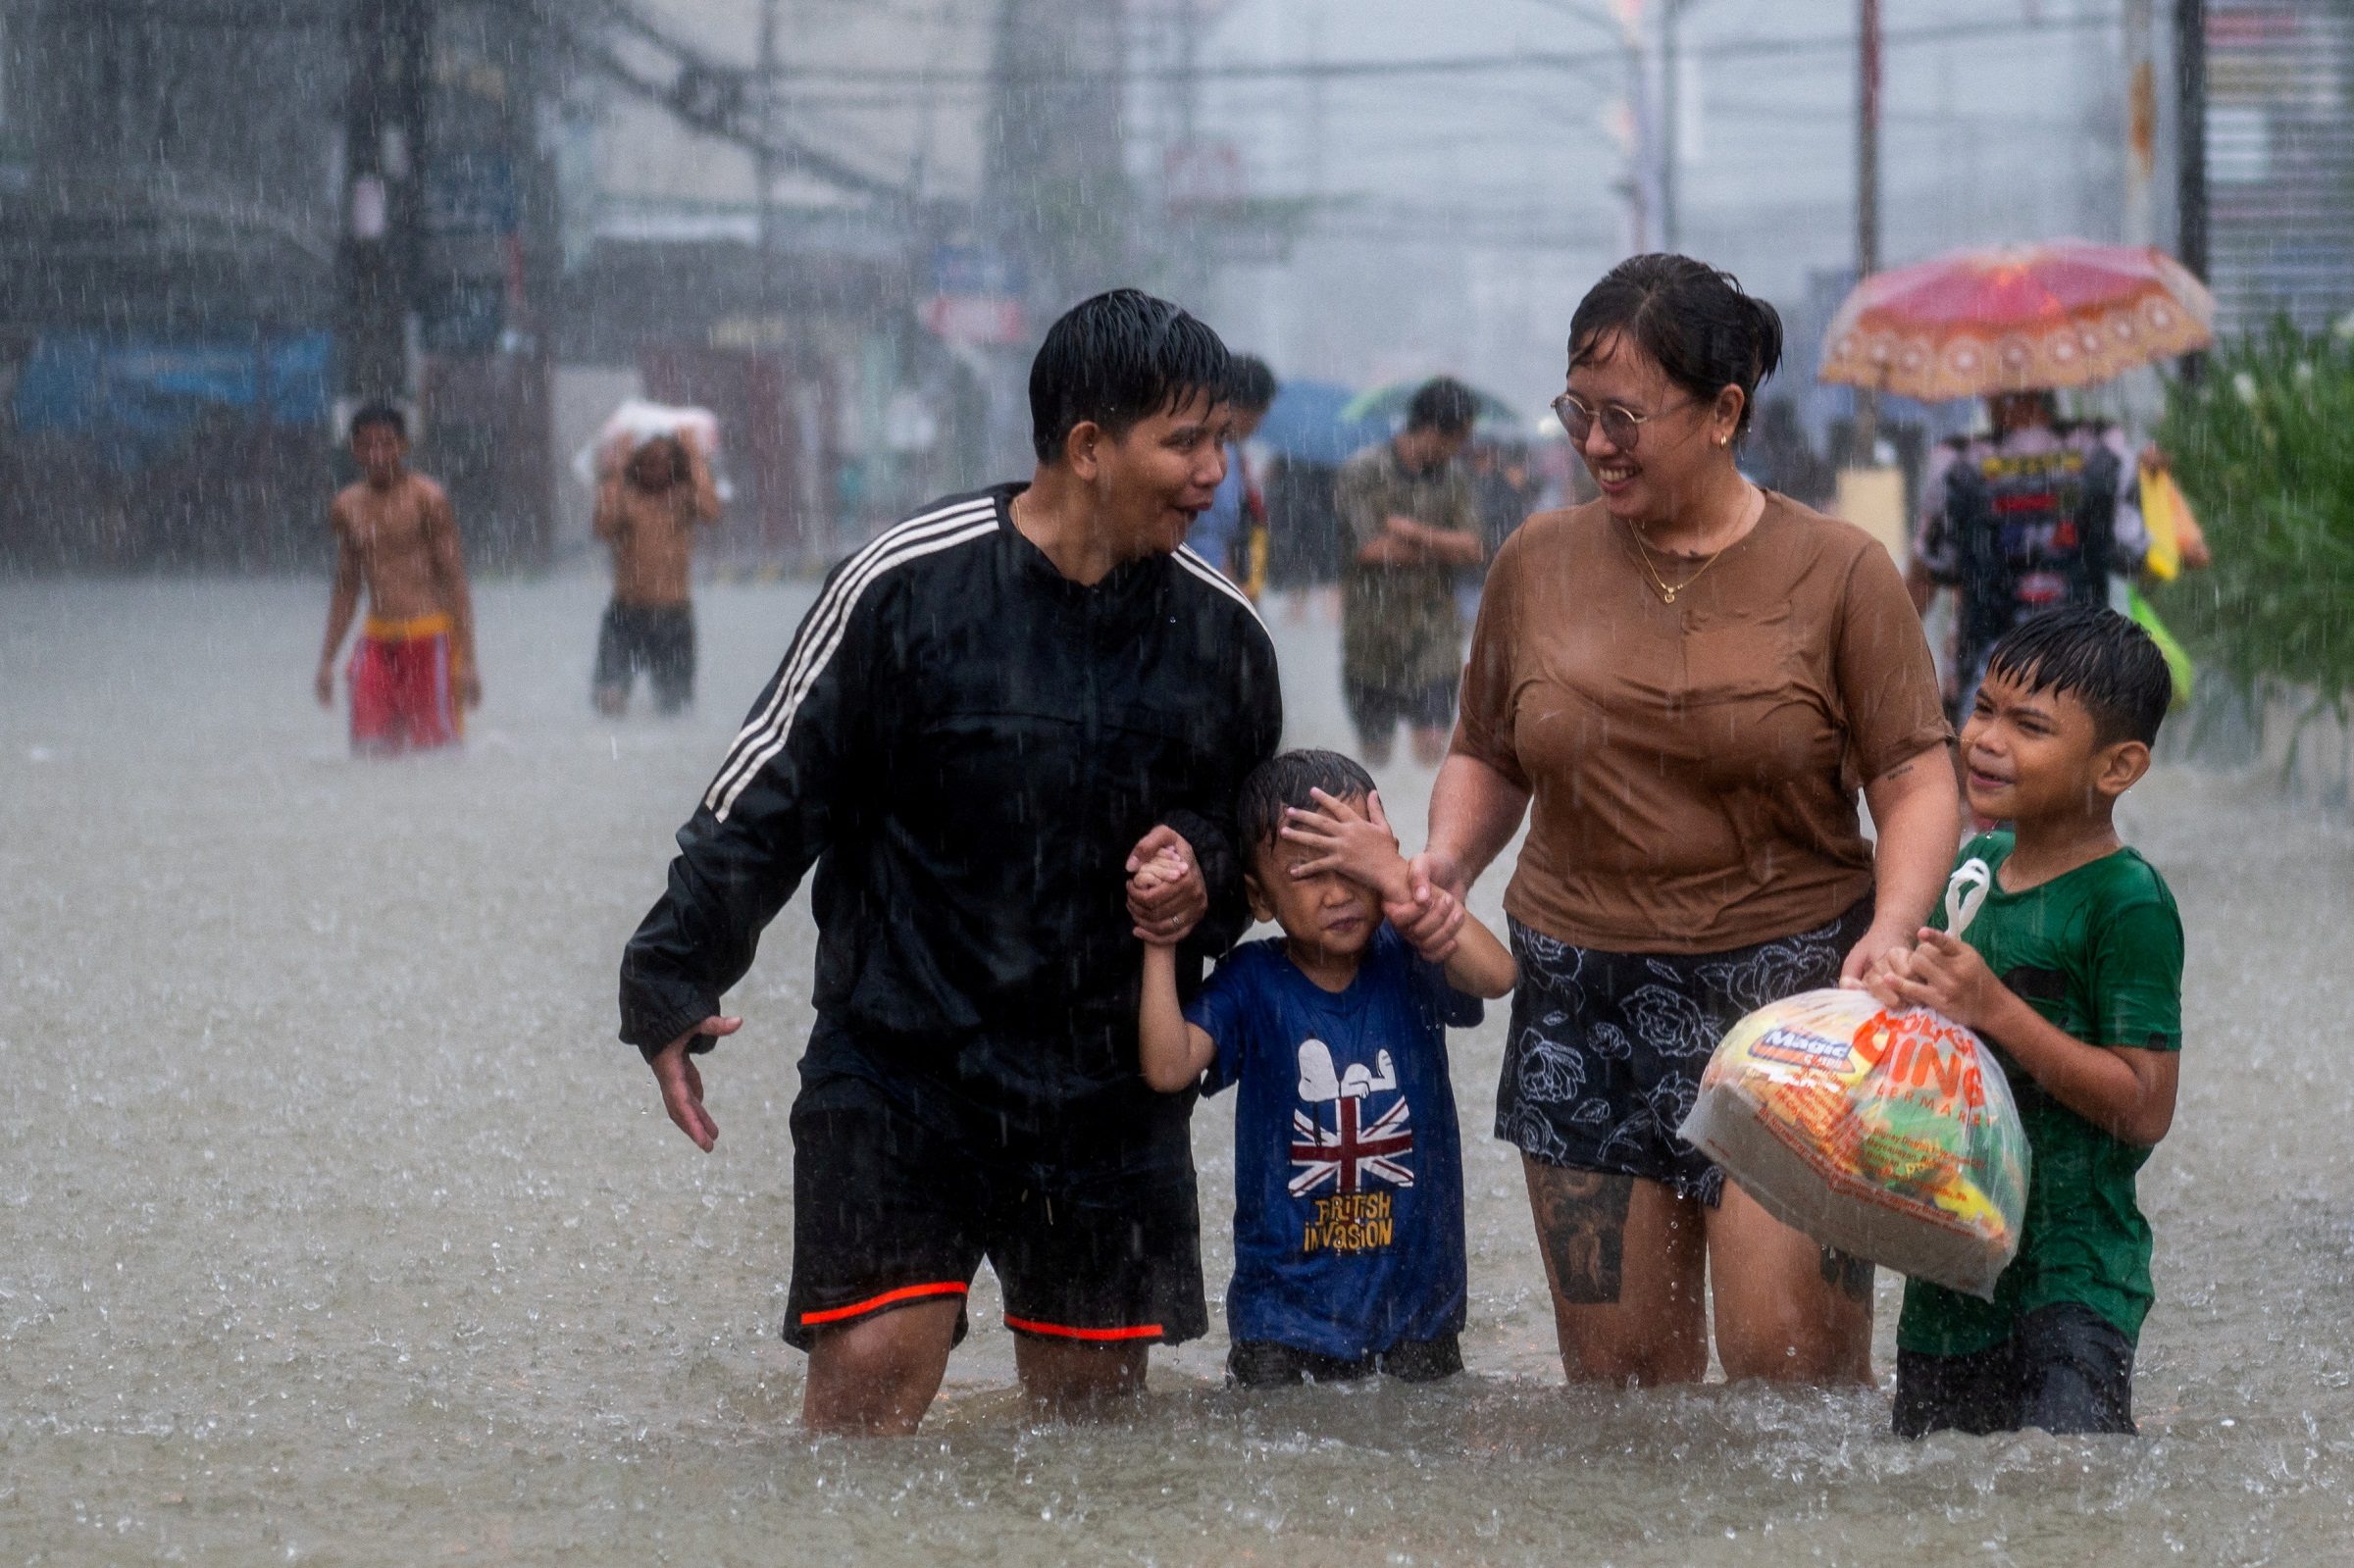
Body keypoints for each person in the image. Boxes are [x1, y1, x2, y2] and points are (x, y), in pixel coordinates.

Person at [615, 289, 1283, 1437]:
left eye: (1220, 439)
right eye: (1185, 440)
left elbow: (1252, 831)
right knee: (868, 1379)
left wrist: (1207, 868)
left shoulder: (1222, 632)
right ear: (1086, 445)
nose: (1216, 471)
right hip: (903, 1058)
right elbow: (767, 793)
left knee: (1092, 1435)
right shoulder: (905, 583)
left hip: (1103, 1085)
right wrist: (671, 978)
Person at [1392, 254, 1960, 1388]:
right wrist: (1448, 858)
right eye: (1578, 413)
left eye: (1625, 418)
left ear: (1724, 414)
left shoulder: (1839, 571)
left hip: (1795, 1004)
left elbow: (1914, 774)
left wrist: (1895, 928)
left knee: (1789, 1381)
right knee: (1625, 1403)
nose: (1593, 443)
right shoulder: (1535, 564)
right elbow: (1486, 750)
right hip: (1581, 1005)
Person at [1861, 606, 2183, 1438]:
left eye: (2029, 725)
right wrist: (1900, 990)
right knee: (1934, 1496)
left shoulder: (2127, 903)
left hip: (2074, 1272)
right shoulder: (1974, 869)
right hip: (1954, 1260)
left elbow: (2146, 1106)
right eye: (1983, 708)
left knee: (2065, 1490)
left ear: (2118, 766)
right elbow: (1937, 1028)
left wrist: (1994, 1008)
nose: (1986, 740)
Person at [1135, 751, 1515, 1388]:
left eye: (1355, 869)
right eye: (1310, 876)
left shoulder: (1411, 954)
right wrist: (1160, 938)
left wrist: (1401, 881)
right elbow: (1168, 1066)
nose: (1339, 894)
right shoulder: (1253, 982)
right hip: (1281, 1325)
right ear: (1258, 895)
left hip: (1419, 1316)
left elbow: (1498, 976)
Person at [1908, 390, 2154, 724]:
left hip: (1987, 669)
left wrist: (1882, 651)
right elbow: (2133, 554)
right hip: (2082, 667)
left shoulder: (1958, 461)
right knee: (2074, 767)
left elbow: (1931, 569)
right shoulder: (2104, 449)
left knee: (1986, 766)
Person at [1333, 378, 1486, 768]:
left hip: (1434, 634)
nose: (1461, 448)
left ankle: (1422, 824)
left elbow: (1473, 549)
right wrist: (1442, 547)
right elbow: (1369, 549)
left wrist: (1415, 533)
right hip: (1371, 635)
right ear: (1433, 430)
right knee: (1375, 757)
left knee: (1433, 746)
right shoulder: (1364, 471)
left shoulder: (1455, 478)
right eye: (1459, 438)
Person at [315, 404, 480, 754]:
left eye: (387, 444)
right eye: (367, 445)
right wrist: (327, 659)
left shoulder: (429, 499)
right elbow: (346, 585)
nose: (378, 454)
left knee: (436, 758)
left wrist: (468, 660)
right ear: (354, 450)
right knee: (369, 753)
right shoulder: (346, 506)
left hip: (429, 638)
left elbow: (454, 580)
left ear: (404, 446)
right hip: (376, 641)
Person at [592, 429, 722, 716]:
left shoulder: (685, 496)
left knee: (674, 708)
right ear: (637, 462)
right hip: (626, 615)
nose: (656, 468)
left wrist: (695, 458)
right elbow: (602, 527)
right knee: (608, 701)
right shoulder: (625, 496)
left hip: (674, 615)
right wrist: (616, 469)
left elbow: (712, 512)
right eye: (649, 461)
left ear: (675, 463)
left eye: (663, 461)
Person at [1185, 354, 1277, 590]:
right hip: (1207, 585)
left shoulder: (1233, 454)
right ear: (1244, 409)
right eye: (1261, 412)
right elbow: (1206, 534)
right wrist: (1232, 589)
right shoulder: (1215, 455)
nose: (1261, 422)